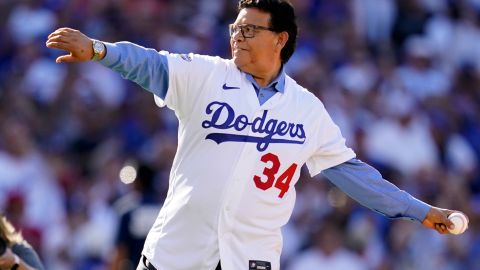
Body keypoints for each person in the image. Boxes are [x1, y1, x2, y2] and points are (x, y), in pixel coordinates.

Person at [45, 0, 467, 269]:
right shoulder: (206, 74)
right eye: (235, 27)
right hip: (177, 253)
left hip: (251, 259)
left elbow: (356, 177)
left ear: (280, 39)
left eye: (249, 30)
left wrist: (420, 210)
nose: (237, 36)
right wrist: (100, 50)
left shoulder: (307, 110)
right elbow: (149, 64)